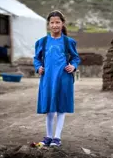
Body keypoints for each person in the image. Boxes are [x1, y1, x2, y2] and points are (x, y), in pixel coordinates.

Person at [33, 10, 81, 147]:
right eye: (52, 23)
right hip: (47, 79)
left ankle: (57, 138)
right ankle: (48, 136)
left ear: (62, 23)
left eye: (57, 22)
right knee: (49, 108)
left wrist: (73, 66)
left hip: (63, 78)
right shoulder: (42, 42)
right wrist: (38, 67)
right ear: (48, 24)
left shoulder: (68, 42)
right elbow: (37, 58)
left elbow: (76, 58)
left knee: (60, 107)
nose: (55, 25)